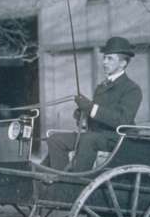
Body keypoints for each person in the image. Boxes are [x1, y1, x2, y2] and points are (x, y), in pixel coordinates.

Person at [45, 37, 143, 172]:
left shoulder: (132, 89)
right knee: (56, 139)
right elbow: (96, 116)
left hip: (118, 139)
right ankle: (60, 180)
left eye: (110, 59)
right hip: (97, 136)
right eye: (104, 58)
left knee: (88, 140)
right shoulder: (101, 87)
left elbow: (122, 120)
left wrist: (90, 107)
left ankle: (76, 183)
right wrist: (82, 115)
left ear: (123, 63)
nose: (104, 62)